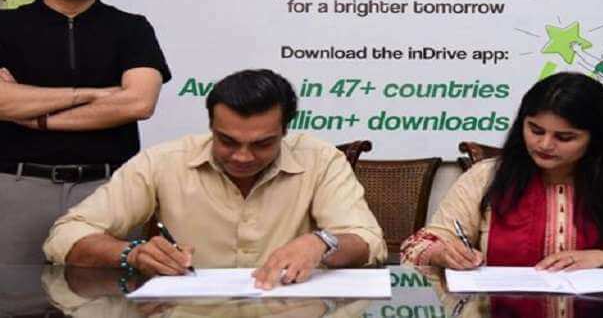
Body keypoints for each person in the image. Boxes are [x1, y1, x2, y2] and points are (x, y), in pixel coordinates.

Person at [43, 69, 386, 290]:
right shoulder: (163, 161)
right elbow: (66, 235)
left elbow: (368, 242)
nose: (242, 156)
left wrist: (322, 242)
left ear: (285, 131)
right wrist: (131, 254)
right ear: (211, 126)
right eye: (227, 141)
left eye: (262, 144)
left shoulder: (321, 160)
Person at [0, 0, 171, 264]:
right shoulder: (5, 26)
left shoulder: (132, 28)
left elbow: (139, 103)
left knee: (110, 291)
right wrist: (94, 93)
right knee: (12, 291)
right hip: (15, 186)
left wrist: (36, 115)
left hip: (108, 190)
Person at [401, 72, 603, 271]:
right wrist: (441, 253)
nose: (544, 144)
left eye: (564, 137)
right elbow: (416, 248)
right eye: (535, 130)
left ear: (595, 138)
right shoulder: (486, 177)